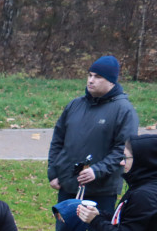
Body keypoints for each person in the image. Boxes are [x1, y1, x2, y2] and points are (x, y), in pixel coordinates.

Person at [48, 56, 138, 215]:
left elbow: (123, 150)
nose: (91, 80)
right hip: (67, 186)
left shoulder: (124, 110)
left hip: (101, 191)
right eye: (90, 75)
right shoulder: (75, 105)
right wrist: (53, 173)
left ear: (111, 81)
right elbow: (57, 141)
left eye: (98, 77)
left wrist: (96, 170)